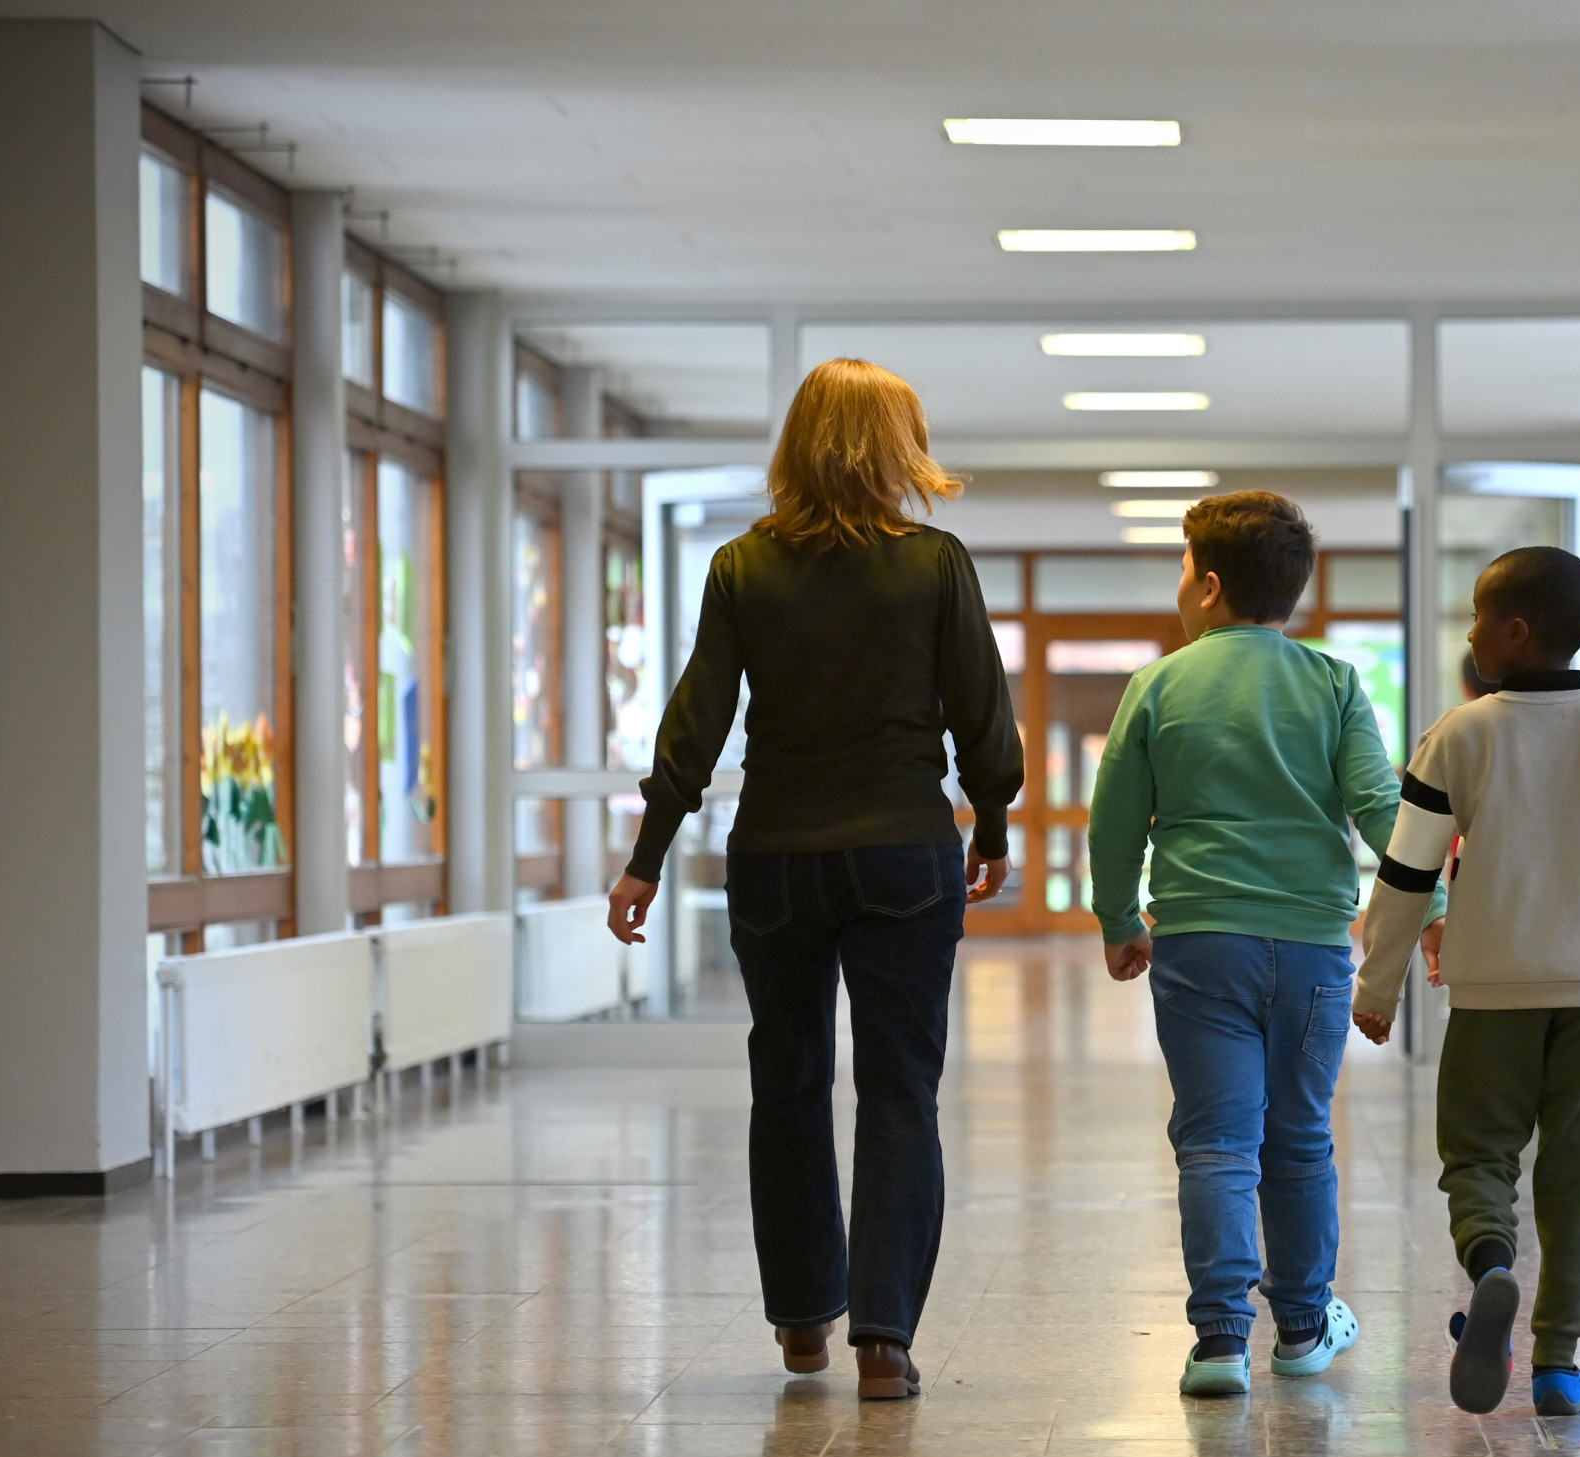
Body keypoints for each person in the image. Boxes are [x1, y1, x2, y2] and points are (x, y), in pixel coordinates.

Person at [607, 358, 1021, 1402]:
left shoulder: (746, 567)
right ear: (897, 446)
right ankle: (882, 1339)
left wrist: (647, 856)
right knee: (898, 1091)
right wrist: (995, 821)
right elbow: (982, 712)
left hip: (777, 857)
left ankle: (802, 1321)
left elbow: (696, 720)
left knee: (786, 1083)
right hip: (902, 851)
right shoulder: (933, 564)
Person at [1089, 491, 1437, 1397]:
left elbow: (1116, 822)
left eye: (1179, 570)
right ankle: (1304, 1326)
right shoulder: (1333, 683)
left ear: (1207, 586)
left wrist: (1120, 920)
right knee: (1300, 1139)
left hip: (1201, 945)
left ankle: (1219, 1343)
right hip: (1315, 950)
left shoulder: (1158, 686)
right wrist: (1428, 904)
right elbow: (1379, 809)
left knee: (1214, 1143)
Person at [1352, 546, 1580, 1418]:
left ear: (1512, 632)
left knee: (1476, 1154)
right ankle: (1555, 1362)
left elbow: (1406, 874)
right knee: (1579, 1175)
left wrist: (1379, 984)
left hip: (1489, 990)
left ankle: (1493, 1264)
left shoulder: (1459, 733)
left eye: (1475, 618)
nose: (1469, 635)